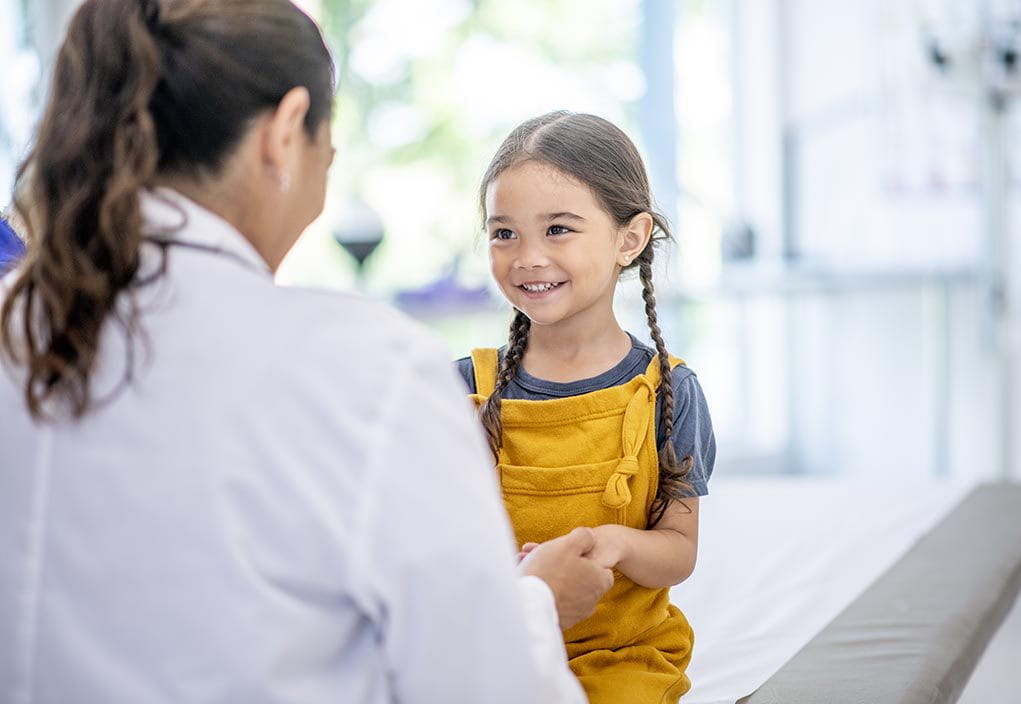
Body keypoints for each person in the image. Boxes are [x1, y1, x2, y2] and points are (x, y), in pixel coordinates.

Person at [0, 2, 612, 702]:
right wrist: (533, 604)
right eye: (330, 142)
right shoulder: (366, 373)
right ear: (285, 132)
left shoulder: (17, 326)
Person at [455, 111, 718, 703]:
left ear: (631, 237)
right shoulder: (465, 389)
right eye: (504, 233)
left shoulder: (668, 392)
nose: (526, 257)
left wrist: (617, 544)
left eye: (558, 230)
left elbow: (679, 551)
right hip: (496, 656)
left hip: (623, 661)